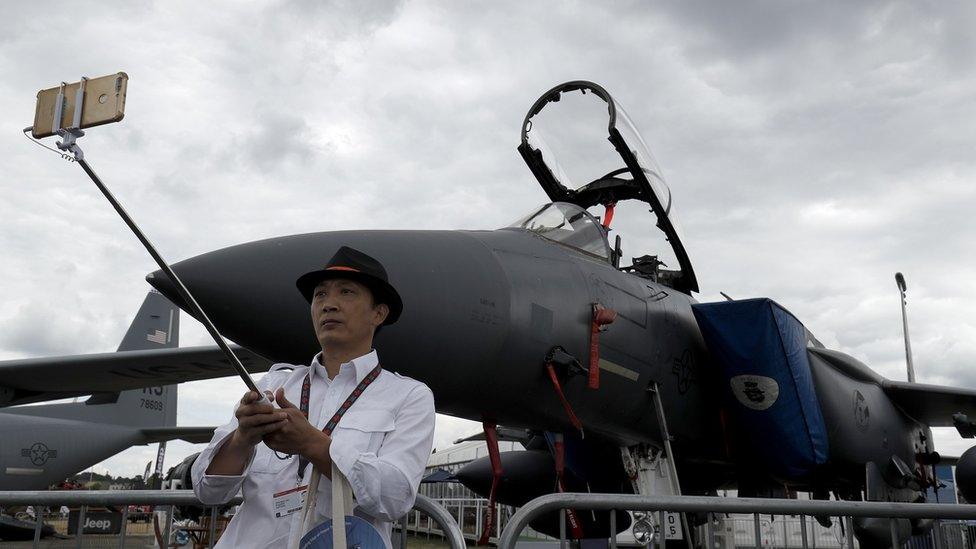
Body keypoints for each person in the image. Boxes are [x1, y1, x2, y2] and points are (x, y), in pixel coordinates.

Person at [191, 246, 436, 548]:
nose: (328, 304)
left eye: (346, 292)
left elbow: (395, 497)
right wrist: (242, 438)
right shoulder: (275, 383)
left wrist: (312, 444)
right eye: (320, 295)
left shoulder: (410, 396)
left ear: (379, 312)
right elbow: (207, 491)